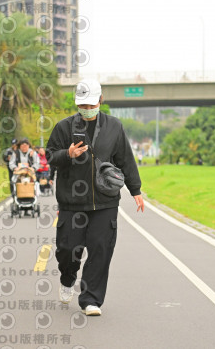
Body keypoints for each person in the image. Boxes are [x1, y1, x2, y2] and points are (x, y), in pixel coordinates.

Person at [46, 78, 144, 317]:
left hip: (105, 200)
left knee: (101, 249)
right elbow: (50, 156)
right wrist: (67, 154)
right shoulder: (63, 127)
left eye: (91, 105)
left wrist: (136, 190)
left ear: (100, 100)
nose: (87, 109)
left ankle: (91, 299)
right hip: (71, 201)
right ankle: (67, 278)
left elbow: (125, 159)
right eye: (83, 105)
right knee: (67, 249)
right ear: (76, 103)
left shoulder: (114, 127)